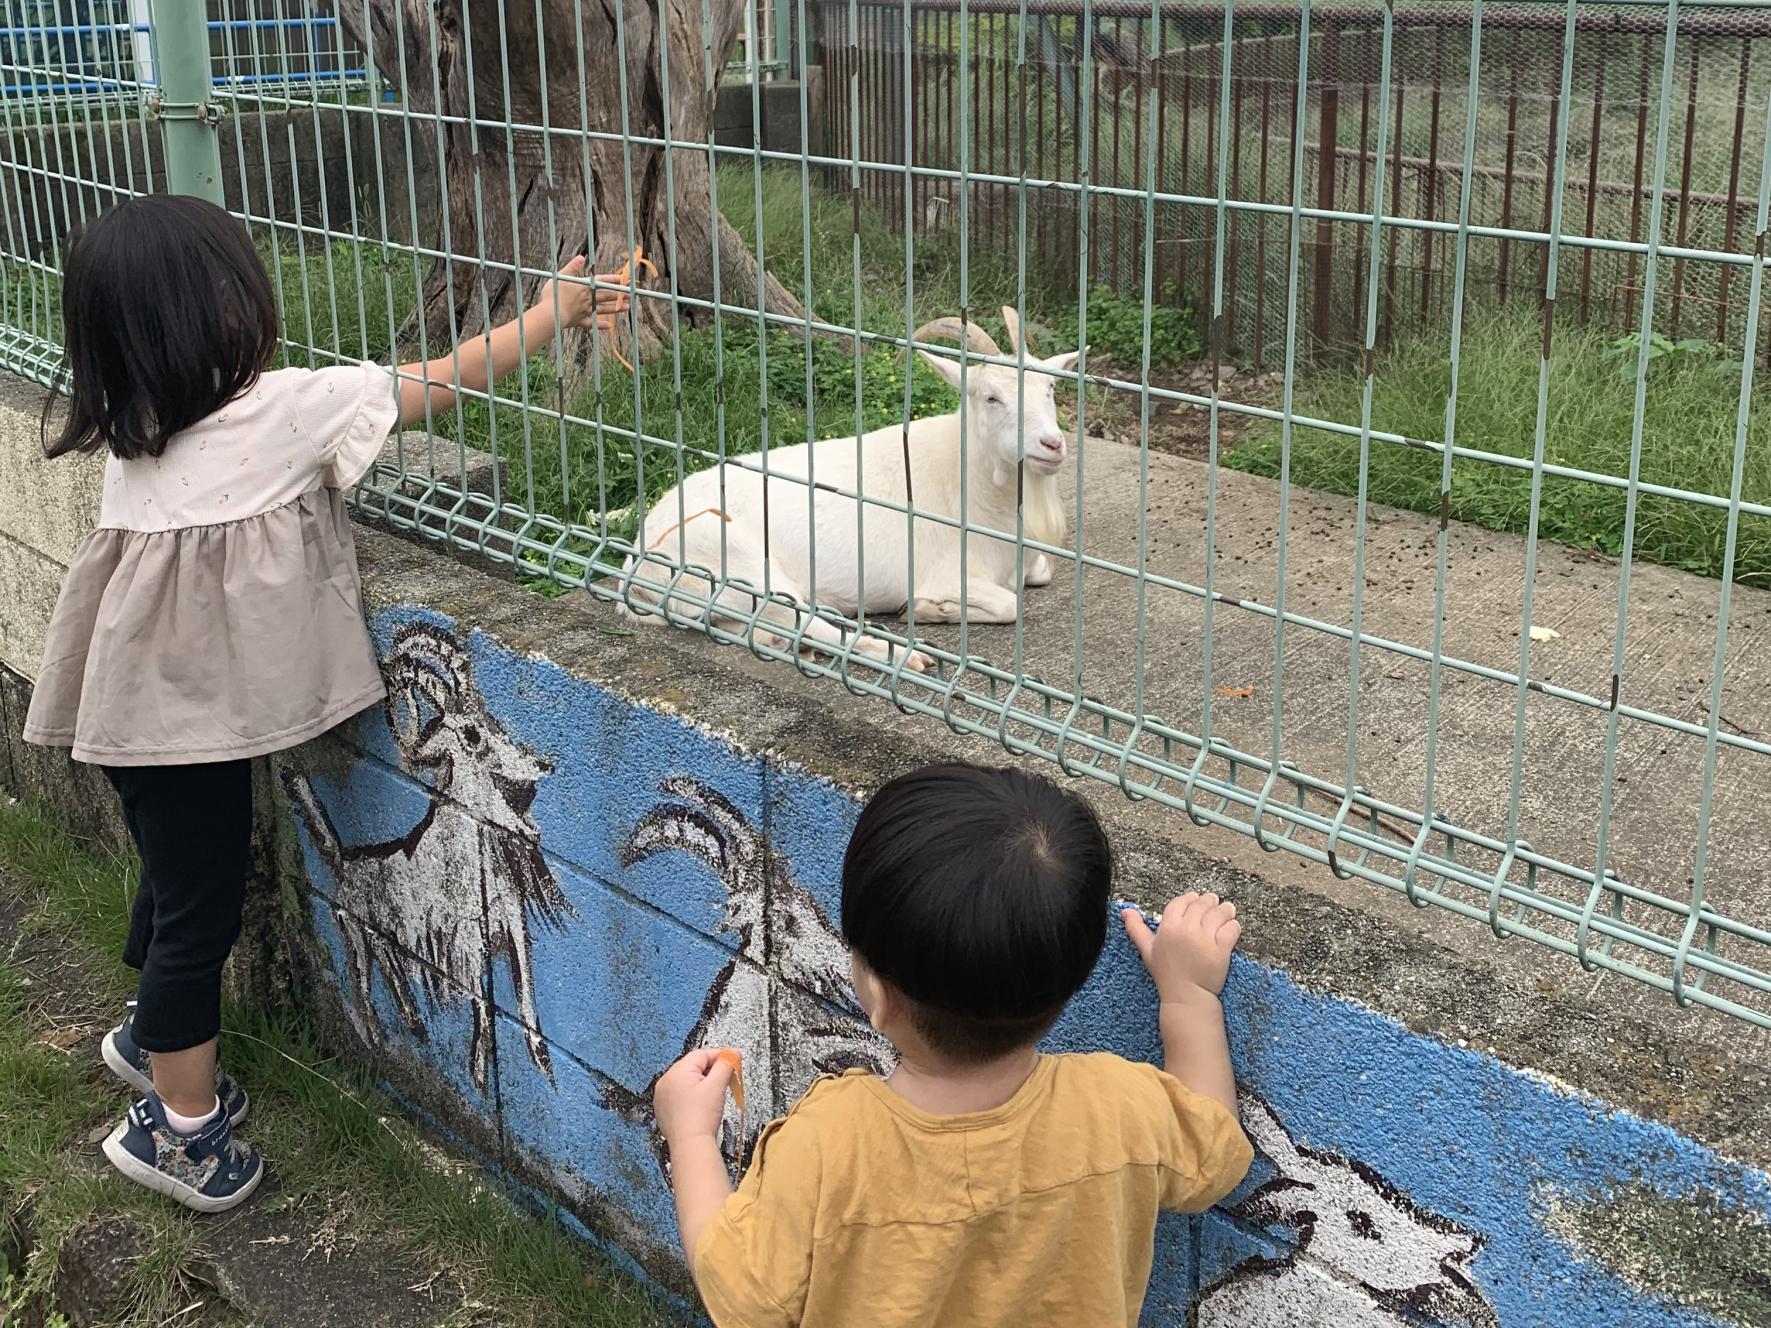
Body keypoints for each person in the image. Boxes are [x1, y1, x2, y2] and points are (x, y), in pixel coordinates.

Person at [23, 193, 628, 1213]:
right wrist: (553, 310)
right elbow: (437, 381)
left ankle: (151, 1039)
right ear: (225, 312)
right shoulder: (283, 408)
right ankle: (178, 1129)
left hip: (124, 723)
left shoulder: (134, 433)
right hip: (187, 735)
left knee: (176, 887)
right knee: (198, 918)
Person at [654, 762, 1252, 1327]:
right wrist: (1188, 993)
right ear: (1073, 981)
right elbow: (1213, 1152)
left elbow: (741, 1295)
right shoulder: (1121, 1110)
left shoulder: (825, 1145)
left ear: (880, 998)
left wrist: (691, 1136)